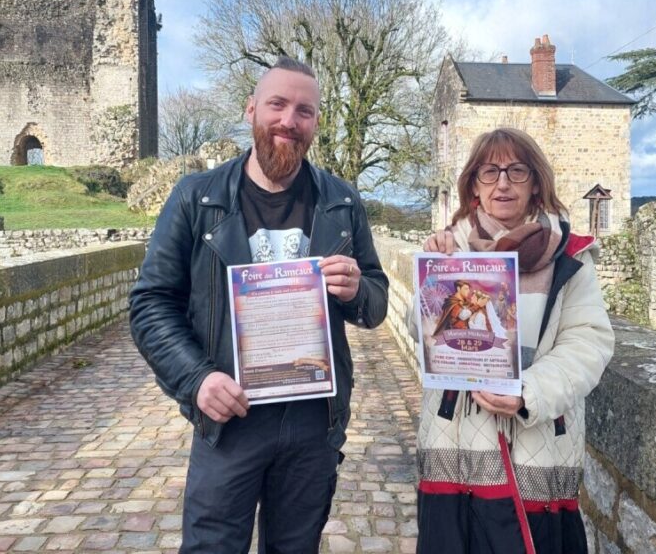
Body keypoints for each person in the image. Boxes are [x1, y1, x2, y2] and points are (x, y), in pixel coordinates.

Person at [129, 57, 389, 553]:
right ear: (251, 109)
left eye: (305, 111)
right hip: (230, 420)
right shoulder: (195, 198)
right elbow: (151, 304)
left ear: (315, 122)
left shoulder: (342, 203)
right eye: (277, 104)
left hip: (314, 423)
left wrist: (358, 288)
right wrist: (196, 379)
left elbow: (375, 304)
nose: (289, 120)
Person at [414, 127, 614, 554]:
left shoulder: (571, 258)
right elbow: (426, 338)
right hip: (456, 450)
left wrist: (528, 392)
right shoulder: (450, 252)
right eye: (490, 172)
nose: (502, 183)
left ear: (536, 184)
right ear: (474, 187)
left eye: (516, 171)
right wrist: (435, 279)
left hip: (535, 451)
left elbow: (588, 344)